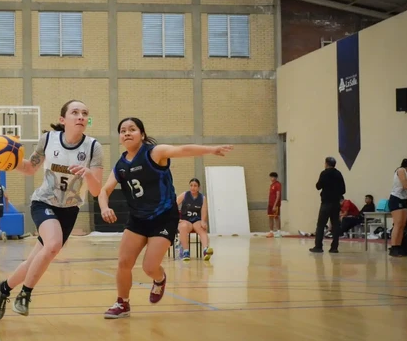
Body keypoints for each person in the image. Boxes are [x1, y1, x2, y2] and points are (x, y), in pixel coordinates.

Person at [98, 117, 232, 319]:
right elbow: (104, 190)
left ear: (142, 134)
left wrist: (210, 150)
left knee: (149, 267)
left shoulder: (155, 153)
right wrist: (104, 207)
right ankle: (122, 303)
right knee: (124, 262)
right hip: (137, 218)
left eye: (132, 129)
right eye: (123, 130)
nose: (127, 133)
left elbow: (184, 150)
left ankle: (159, 280)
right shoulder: (120, 165)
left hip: (163, 217)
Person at [0, 99, 104, 319]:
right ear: (63, 119)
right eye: (75, 112)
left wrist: (88, 173)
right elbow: (30, 168)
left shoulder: (93, 147)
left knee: (37, 258)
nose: (81, 116)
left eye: (84, 113)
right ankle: (25, 294)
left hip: (69, 209)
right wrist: (9, 162)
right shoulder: (49, 139)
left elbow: (97, 190)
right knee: (52, 246)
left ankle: (4, 288)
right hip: (43, 202)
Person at [310, 157, 346, 254]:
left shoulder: (324, 173)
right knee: (335, 226)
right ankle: (334, 247)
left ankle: (318, 246)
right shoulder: (338, 174)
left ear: (326, 164)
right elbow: (343, 190)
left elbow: (318, 186)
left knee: (321, 225)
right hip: (336, 203)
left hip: (326, 203)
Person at [175, 178, 213, 261]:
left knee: (202, 228)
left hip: (196, 221)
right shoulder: (185, 195)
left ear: (199, 187)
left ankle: (206, 250)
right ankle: (186, 252)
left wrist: (203, 221)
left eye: (195, 186)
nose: (193, 187)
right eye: (191, 185)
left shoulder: (202, 198)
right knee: (183, 226)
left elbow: (204, 211)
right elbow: (172, 205)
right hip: (186, 220)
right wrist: (176, 218)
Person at [388, 157, 407, 257]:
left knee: (402, 224)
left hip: (404, 199)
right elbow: (405, 185)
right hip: (396, 198)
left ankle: (399, 246)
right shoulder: (401, 170)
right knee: (398, 223)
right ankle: (393, 247)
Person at [265, 172, 282, 238]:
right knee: (270, 217)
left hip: (275, 204)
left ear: (276, 178)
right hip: (270, 204)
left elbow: (278, 196)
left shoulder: (278, 184)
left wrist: (275, 205)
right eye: (271, 177)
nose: (272, 178)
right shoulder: (272, 185)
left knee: (276, 217)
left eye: (273, 177)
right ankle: (271, 231)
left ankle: (278, 231)